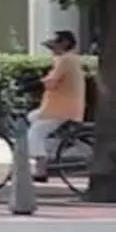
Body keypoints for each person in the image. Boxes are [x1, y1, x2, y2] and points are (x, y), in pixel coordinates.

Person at [29, 30, 86, 181]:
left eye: (54, 45)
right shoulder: (69, 59)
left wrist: (30, 84)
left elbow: (52, 81)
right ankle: (43, 149)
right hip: (62, 106)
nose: (52, 50)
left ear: (65, 44)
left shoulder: (66, 60)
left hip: (61, 109)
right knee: (31, 118)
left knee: (35, 132)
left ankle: (41, 168)